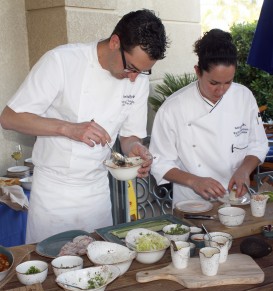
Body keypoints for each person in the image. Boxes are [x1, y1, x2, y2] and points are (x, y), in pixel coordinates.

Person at [0, 9, 169, 243]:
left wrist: (136, 150)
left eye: (142, 71)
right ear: (114, 42)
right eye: (131, 68)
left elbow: (130, 137)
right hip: (54, 194)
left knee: (99, 267)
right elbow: (9, 118)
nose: (134, 78)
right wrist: (69, 128)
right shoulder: (61, 61)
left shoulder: (138, 80)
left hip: (97, 193)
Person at [149, 29, 268, 207]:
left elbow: (258, 144)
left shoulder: (244, 97)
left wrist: (244, 170)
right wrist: (194, 181)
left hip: (236, 197)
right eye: (213, 83)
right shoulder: (173, 108)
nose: (221, 91)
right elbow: (159, 162)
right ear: (198, 71)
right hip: (192, 203)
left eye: (228, 82)